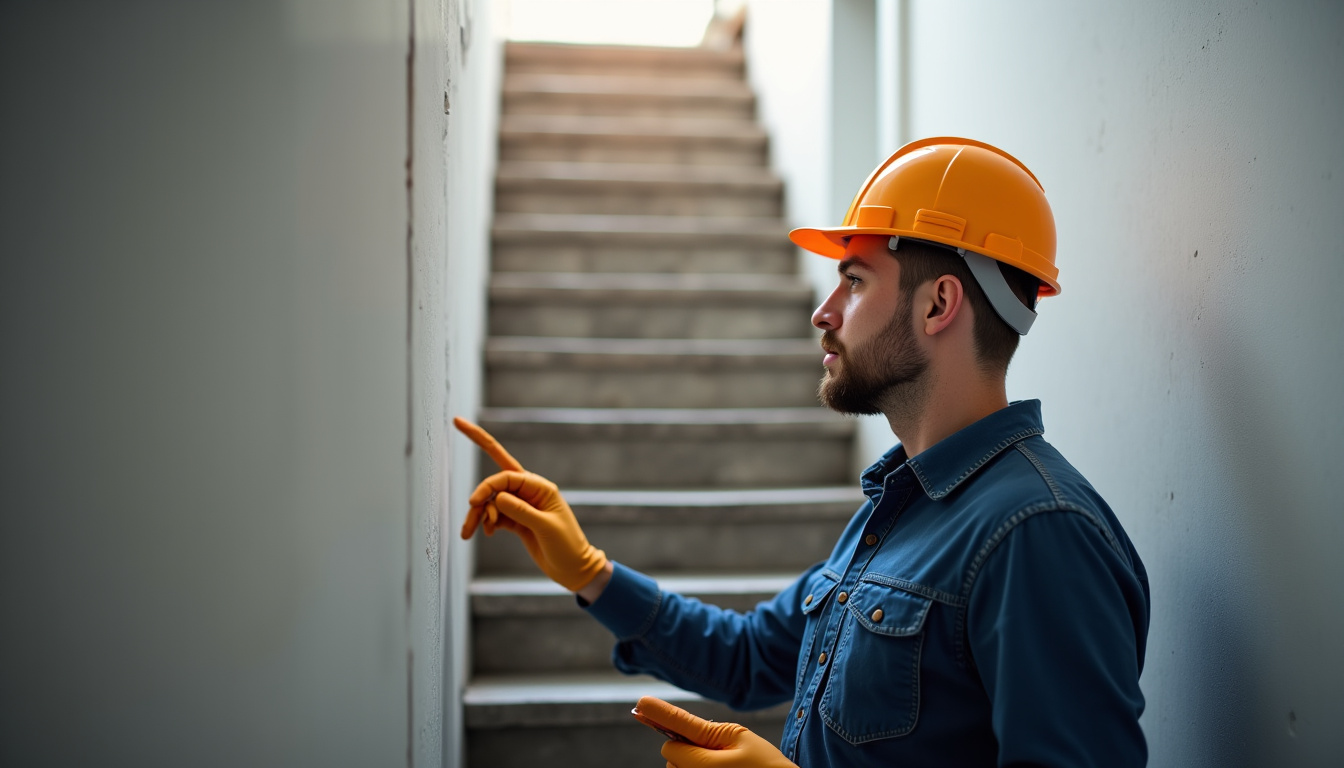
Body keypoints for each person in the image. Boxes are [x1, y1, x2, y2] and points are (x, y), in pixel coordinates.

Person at [456, 137, 1151, 767]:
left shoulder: (1037, 534)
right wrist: (590, 572)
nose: (823, 312)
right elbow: (754, 656)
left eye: (854, 281)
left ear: (939, 305)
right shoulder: (902, 506)